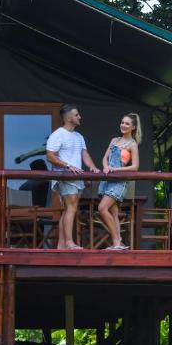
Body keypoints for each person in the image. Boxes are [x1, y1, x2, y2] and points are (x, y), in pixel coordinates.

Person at [45, 104, 99, 249]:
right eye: (76, 115)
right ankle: (69, 242)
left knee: (70, 208)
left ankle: (62, 245)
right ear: (68, 117)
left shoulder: (78, 136)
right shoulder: (58, 134)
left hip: (76, 178)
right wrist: (67, 166)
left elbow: (84, 154)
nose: (79, 117)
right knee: (71, 207)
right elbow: (50, 156)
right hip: (65, 176)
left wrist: (92, 167)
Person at [97, 113, 141, 250]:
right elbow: (105, 158)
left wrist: (114, 170)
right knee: (114, 212)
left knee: (102, 208)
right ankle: (118, 244)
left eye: (127, 123)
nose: (123, 125)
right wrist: (105, 167)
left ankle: (116, 240)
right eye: (122, 122)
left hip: (119, 181)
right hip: (107, 180)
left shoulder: (132, 144)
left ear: (133, 127)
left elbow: (135, 167)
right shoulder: (114, 140)